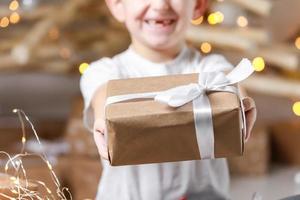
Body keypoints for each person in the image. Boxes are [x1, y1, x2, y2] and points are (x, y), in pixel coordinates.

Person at [80, 0, 257, 199]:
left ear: (198, 5)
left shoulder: (209, 67)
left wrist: (241, 102)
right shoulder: (104, 71)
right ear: (118, 5)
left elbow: (228, 80)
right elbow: (104, 96)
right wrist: (103, 118)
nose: (160, 4)